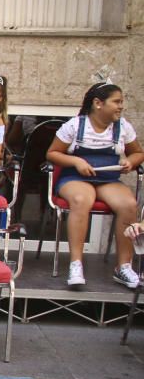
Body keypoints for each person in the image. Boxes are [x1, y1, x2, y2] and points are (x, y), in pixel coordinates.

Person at [47, 82, 144, 288]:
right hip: (75, 177)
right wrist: (77, 161)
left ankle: (124, 267)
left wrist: (131, 162)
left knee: (128, 204)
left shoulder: (123, 127)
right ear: (98, 103)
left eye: (121, 102)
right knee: (82, 199)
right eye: (116, 102)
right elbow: (52, 153)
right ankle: (76, 264)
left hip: (108, 179)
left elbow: (138, 152)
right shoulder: (75, 125)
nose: (120, 106)